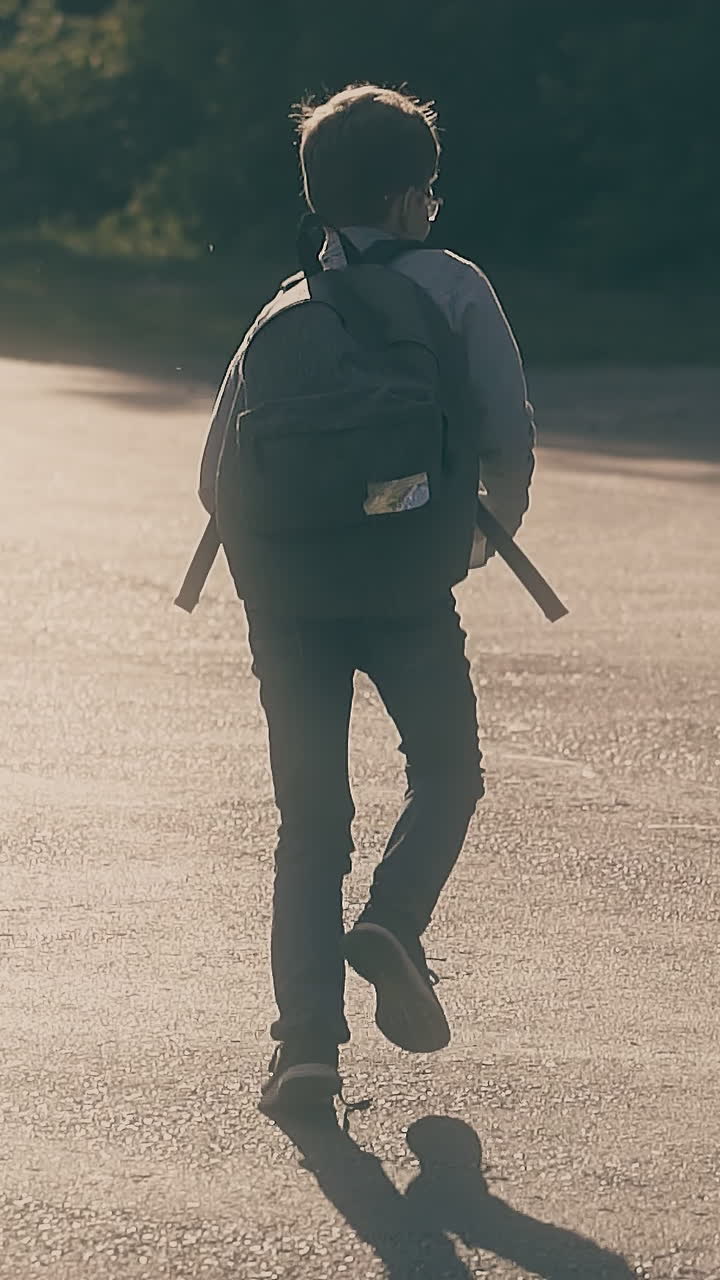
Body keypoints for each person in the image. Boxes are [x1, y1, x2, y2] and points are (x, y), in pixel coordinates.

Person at [198, 84, 536, 1114]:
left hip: (289, 598)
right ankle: (392, 920)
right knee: (448, 772)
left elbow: (218, 475)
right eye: (428, 193)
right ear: (403, 201)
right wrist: (478, 535)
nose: (433, 209)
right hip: (405, 589)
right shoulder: (456, 286)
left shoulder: (283, 305)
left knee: (311, 823)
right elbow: (505, 434)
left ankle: (302, 1051)